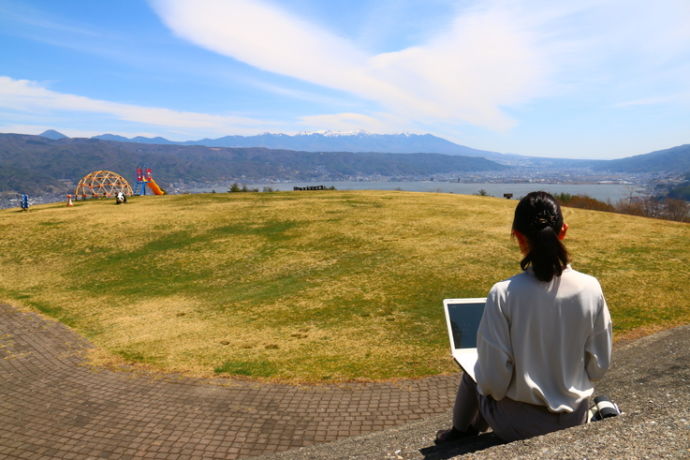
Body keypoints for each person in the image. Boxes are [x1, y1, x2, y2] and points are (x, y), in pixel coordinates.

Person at [436, 191, 612, 443]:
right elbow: (599, 366)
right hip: (575, 415)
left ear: (518, 236)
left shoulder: (503, 293)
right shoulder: (591, 287)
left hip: (520, 426)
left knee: (474, 371)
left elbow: (494, 383)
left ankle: (459, 434)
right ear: (563, 230)